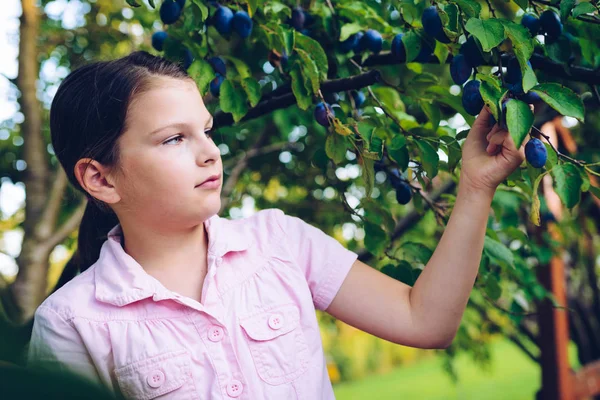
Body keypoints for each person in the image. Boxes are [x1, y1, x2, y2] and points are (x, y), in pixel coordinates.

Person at [27, 50, 525, 399]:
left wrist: (476, 188)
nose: (209, 152)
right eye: (173, 139)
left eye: (205, 130)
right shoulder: (72, 325)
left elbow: (427, 320)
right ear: (100, 178)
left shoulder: (280, 242)